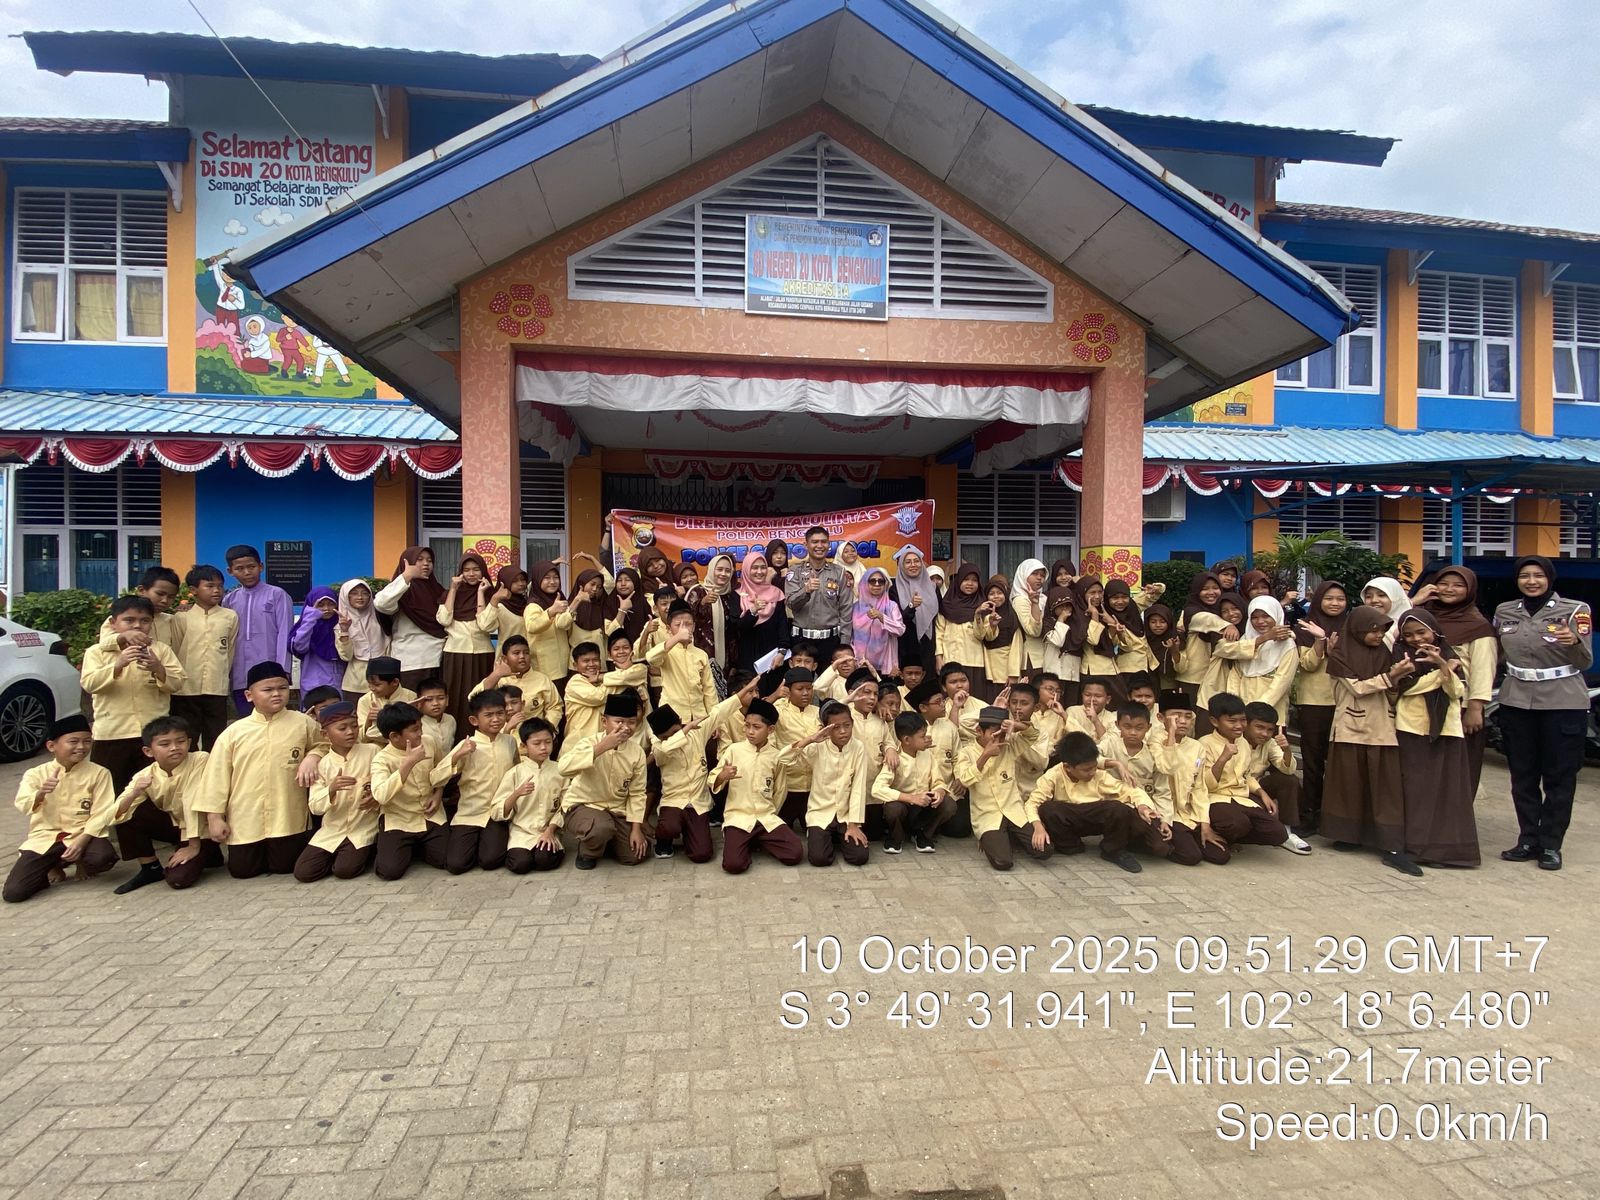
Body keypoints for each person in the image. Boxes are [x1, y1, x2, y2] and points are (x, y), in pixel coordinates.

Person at [1492, 555, 1591, 871]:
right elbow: (1498, 655)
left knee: (1559, 777)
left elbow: (1585, 661)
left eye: (1538, 575)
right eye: (1525, 576)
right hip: (1517, 701)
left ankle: (1550, 845)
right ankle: (1528, 840)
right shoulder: (1505, 611)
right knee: (1523, 775)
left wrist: (1573, 641)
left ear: (1549, 578)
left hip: (1563, 702)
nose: (1531, 581)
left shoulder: (1575, 610)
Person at [193, 661, 324, 878]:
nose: (276, 694)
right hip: (246, 818)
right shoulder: (233, 733)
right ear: (249, 695)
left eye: (282, 688)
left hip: (287, 817)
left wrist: (313, 756)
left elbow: (325, 745)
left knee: (285, 866)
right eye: (268, 690)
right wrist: (215, 818)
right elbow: (215, 778)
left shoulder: (303, 723)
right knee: (243, 870)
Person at [1320, 607, 1418, 875]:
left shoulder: (1385, 654)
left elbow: (1392, 693)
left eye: (1382, 631)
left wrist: (1396, 682)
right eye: (1373, 630)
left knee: (1384, 787)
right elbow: (1358, 688)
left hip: (1382, 727)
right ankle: (1349, 834)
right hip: (1350, 727)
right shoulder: (1341, 656)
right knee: (1350, 784)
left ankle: (1390, 844)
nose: (1378, 636)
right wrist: (1392, 677)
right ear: (1358, 629)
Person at [1392, 611, 1478, 869]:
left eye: (1422, 632)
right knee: (1417, 791)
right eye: (1409, 635)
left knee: (1446, 792)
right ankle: (1415, 847)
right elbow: (1407, 688)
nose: (1416, 639)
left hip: (1447, 731)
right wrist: (1443, 671)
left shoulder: (1449, 653)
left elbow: (1457, 691)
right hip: (1412, 728)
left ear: (1434, 630)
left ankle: (1445, 850)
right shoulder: (1400, 654)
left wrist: (1441, 663)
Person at [3, 715, 119, 902]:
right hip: (46, 837)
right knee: (14, 892)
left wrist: (81, 841)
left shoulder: (99, 773)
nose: (81, 747)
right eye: (73, 741)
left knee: (102, 857)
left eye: (87, 741)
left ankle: (80, 861)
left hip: (83, 833)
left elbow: (102, 812)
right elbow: (23, 805)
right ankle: (53, 865)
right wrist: (41, 793)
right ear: (51, 746)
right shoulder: (35, 774)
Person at [80, 595, 186, 793]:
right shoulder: (97, 652)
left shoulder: (160, 650)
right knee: (111, 790)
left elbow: (178, 682)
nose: (137, 626)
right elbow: (89, 684)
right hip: (112, 733)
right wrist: (118, 664)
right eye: (129, 620)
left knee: (154, 789)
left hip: (152, 733)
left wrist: (158, 668)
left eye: (145, 621)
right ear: (113, 623)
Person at [1414, 566, 1498, 796]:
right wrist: (1414, 601)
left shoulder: (1478, 626)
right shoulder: (1422, 618)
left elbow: (1483, 669)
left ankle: (1454, 815)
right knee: (1424, 768)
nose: (1449, 589)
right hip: (1420, 703)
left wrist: (1475, 708)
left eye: (1458, 585)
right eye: (1444, 583)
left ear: (1470, 590)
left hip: (1458, 706)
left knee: (1458, 768)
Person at [1197, 693, 1312, 857]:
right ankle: (1222, 832)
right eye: (1232, 721)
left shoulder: (1242, 743)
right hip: (1216, 797)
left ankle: (1239, 834)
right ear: (1215, 722)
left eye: (1242, 720)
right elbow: (1203, 785)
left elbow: (1247, 775)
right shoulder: (1204, 744)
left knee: (1278, 834)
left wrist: (1262, 792)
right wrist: (1222, 758)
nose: (1239, 726)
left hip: (1243, 795)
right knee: (1237, 824)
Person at [1027, 729, 1149, 872]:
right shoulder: (1052, 775)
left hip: (1095, 818)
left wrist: (1143, 806)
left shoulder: (1099, 775)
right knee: (1047, 809)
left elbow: (1129, 791)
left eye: (1094, 767)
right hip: (1070, 819)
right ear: (1068, 767)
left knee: (1118, 808)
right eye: (1086, 770)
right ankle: (1070, 846)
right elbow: (1032, 803)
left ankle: (1113, 851)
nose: (1092, 772)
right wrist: (1038, 827)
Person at [712, 698, 805, 874]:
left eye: (756, 727)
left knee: (794, 853)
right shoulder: (734, 750)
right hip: (739, 817)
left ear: (770, 730)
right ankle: (745, 842)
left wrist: (771, 812)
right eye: (747, 726)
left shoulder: (776, 756)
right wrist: (722, 776)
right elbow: (713, 780)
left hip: (765, 818)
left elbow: (780, 791)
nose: (750, 731)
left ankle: (756, 839)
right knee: (733, 865)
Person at [434, 688, 520, 874]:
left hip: (498, 812)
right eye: (488, 715)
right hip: (470, 812)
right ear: (474, 720)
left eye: (500, 713)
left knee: (490, 860)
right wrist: (458, 756)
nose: (496, 719)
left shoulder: (510, 742)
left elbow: (517, 771)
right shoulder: (467, 744)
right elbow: (435, 777)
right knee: (456, 865)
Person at [559, 691, 649, 869]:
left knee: (636, 854)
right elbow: (563, 768)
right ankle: (587, 852)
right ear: (604, 721)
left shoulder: (636, 752)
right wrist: (602, 747)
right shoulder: (588, 743)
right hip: (584, 805)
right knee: (600, 828)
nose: (626, 727)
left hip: (616, 810)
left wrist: (636, 829)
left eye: (631, 722)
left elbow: (637, 793)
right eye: (619, 722)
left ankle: (605, 842)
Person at [292, 701, 379, 882]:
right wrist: (331, 789)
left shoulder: (372, 752)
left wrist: (374, 796)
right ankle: (345, 854)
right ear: (325, 734)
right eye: (342, 728)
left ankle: (365, 851)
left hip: (363, 826)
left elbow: (384, 783)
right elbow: (315, 807)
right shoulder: (323, 765)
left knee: (345, 870)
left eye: (354, 726)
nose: (351, 732)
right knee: (304, 872)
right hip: (332, 830)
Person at [781, 700, 872, 867]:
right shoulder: (818, 747)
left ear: (852, 724)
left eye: (847, 725)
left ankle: (838, 835)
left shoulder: (858, 747)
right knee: (819, 859)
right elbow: (783, 759)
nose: (843, 731)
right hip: (820, 812)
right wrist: (810, 739)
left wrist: (853, 824)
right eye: (836, 727)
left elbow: (858, 787)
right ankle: (820, 835)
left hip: (846, 814)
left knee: (859, 857)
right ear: (826, 728)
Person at [1291, 581, 1350, 836]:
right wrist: (1321, 641)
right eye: (1329, 598)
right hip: (1313, 702)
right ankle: (1309, 815)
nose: (1335, 603)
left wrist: (1336, 652)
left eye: (1340, 599)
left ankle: (1336, 818)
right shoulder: (1305, 627)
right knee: (1313, 762)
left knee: (1340, 763)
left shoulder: (1352, 627)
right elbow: (1307, 665)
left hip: (1345, 701)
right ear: (1318, 601)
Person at [651, 698, 737, 861]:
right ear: (658, 737)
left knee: (701, 855)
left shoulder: (696, 734)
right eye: (666, 737)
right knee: (670, 827)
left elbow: (718, 713)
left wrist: (742, 694)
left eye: (675, 731)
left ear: (680, 722)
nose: (673, 737)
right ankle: (663, 842)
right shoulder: (658, 747)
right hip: (673, 801)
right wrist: (684, 730)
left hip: (698, 802)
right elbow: (666, 748)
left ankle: (689, 832)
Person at [370, 701, 448, 879]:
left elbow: (441, 770)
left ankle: (418, 847)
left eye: (420, 727)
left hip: (430, 815)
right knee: (389, 871)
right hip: (399, 819)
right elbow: (381, 796)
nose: (420, 733)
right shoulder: (381, 759)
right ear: (395, 736)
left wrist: (438, 794)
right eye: (414, 730)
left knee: (447, 860)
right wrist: (408, 763)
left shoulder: (429, 742)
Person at [169, 564, 237, 751]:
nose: (217, 590)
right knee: (187, 736)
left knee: (215, 736)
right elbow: (175, 650)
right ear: (193, 590)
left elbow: (230, 650)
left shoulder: (230, 617)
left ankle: (213, 768)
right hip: (186, 689)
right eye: (210, 586)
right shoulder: (181, 618)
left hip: (216, 688)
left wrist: (223, 676)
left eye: (220, 586)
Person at [871, 710, 955, 853]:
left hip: (923, 807)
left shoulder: (927, 755)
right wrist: (911, 798)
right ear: (907, 740)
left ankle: (924, 835)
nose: (927, 739)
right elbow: (877, 789)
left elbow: (939, 781)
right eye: (922, 736)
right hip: (903, 807)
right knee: (893, 809)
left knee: (949, 804)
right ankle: (896, 837)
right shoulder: (895, 759)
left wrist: (939, 792)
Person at [223, 545, 293, 714]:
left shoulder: (277, 595)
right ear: (230, 571)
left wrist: (283, 669)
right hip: (240, 673)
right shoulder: (229, 600)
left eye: (251, 567)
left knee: (273, 719)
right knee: (247, 719)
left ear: (261, 566)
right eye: (240, 569)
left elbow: (285, 633)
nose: (247, 572)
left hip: (270, 671)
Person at [493, 718, 566, 873]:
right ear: (524, 746)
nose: (543, 747)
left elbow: (566, 806)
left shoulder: (560, 771)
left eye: (548, 742)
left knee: (544, 860)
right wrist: (516, 794)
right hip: (522, 833)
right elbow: (496, 811)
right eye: (536, 743)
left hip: (549, 831)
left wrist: (550, 831)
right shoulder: (515, 773)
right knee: (520, 864)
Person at [374, 547, 447, 690]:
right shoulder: (402, 590)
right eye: (419, 560)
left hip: (438, 659)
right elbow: (381, 604)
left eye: (429, 560)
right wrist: (406, 576)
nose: (425, 564)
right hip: (412, 662)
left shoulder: (436, 589)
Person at [1217, 596, 1298, 724]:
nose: (1260, 621)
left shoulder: (1287, 645)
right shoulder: (1246, 640)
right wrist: (1235, 704)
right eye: (1254, 617)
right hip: (1242, 710)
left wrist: (1258, 709)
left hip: (1270, 709)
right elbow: (1236, 674)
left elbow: (1282, 681)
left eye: (1266, 616)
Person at [437, 553, 495, 724]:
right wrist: (453, 590)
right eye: (466, 570)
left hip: (482, 654)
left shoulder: (490, 594)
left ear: (483, 571)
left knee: (481, 699)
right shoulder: (449, 593)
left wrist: (480, 593)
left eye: (476, 569)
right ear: (460, 572)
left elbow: (486, 625)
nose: (471, 574)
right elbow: (444, 620)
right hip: (454, 654)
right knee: (455, 698)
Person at [784, 526, 855, 659]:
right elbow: (790, 604)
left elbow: (846, 609)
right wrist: (806, 591)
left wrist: (844, 643)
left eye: (824, 542)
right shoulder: (795, 571)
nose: (820, 546)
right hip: (802, 641)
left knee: (829, 673)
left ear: (829, 544)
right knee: (802, 673)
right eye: (815, 542)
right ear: (806, 545)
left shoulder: (839, 572)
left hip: (830, 641)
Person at [564, 641, 648, 744]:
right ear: (575, 665)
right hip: (577, 743)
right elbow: (599, 696)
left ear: (600, 661)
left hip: (602, 743)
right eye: (586, 661)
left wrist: (603, 677)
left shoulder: (605, 680)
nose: (591, 664)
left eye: (595, 660)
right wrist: (624, 677)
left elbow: (642, 671)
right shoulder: (575, 682)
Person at [646, 601, 717, 720]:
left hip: (698, 715)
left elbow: (709, 690)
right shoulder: (666, 651)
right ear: (669, 628)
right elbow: (650, 658)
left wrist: (714, 719)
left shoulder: (701, 655)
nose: (683, 628)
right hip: (672, 716)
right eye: (678, 625)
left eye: (688, 624)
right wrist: (677, 638)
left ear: (693, 627)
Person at [472, 635, 562, 729]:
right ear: (505, 659)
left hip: (534, 733)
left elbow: (554, 707)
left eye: (526, 653)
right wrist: (496, 674)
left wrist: (546, 729)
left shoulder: (542, 680)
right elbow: (473, 698)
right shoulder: (498, 680)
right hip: (503, 732)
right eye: (516, 653)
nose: (522, 656)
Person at [1240, 701, 1302, 831]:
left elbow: (1288, 770)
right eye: (1259, 727)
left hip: (1257, 787)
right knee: (1260, 814)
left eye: (1270, 730)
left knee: (1289, 780)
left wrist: (1286, 750)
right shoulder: (1235, 740)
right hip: (1235, 788)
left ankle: (1287, 830)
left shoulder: (1270, 743)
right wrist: (1262, 794)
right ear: (1245, 724)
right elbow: (1242, 775)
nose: (1265, 734)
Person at [96, 565, 184, 650]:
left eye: (171, 597)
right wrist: (123, 636)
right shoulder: (120, 618)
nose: (165, 600)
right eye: (160, 594)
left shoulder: (171, 620)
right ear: (141, 590)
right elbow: (104, 644)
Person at [934, 564, 992, 683]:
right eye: (966, 579)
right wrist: (939, 657)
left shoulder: (983, 606)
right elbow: (939, 633)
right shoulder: (947, 605)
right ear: (959, 580)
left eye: (974, 580)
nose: (970, 583)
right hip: (950, 661)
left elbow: (981, 635)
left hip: (974, 662)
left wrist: (978, 614)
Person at [733, 552, 790, 673]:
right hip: (747, 658)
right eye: (754, 568)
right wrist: (753, 611)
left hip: (772, 658)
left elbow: (782, 626)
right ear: (746, 570)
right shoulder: (736, 595)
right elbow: (737, 627)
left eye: (763, 567)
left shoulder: (777, 593)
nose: (759, 572)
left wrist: (782, 651)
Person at [335, 578, 386, 703]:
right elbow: (346, 656)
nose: (360, 597)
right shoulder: (340, 625)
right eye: (354, 593)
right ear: (346, 597)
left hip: (384, 681)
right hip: (356, 684)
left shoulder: (381, 619)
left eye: (364, 593)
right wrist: (345, 631)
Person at [523, 560, 575, 681]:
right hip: (543, 667)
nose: (552, 581)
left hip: (561, 664)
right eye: (547, 578)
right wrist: (551, 611)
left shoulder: (559, 599)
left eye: (556, 577)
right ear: (538, 580)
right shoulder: (533, 604)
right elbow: (531, 626)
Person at [290, 586, 345, 699]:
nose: (326, 609)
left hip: (340, 681)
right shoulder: (306, 626)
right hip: (313, 683)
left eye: (331, 604)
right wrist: (310, 619)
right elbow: (299, 647)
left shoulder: (341, 625)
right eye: (321, 605)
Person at [692, 553, 740, 676]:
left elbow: (733, 631)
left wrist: (734, 662)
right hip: (700, 657)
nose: (723, 574)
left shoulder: (731, 595)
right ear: (711, 569)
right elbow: (687, 620)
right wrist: (703, 603)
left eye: (727, 571)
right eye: (719, 569)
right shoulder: (697, 591)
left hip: (726, 659)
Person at [891, 546, 938, 674]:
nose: (913, 565)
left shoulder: (933, 588)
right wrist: (911, 606)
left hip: (929, 646)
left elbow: (939, 619)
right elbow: (897, 622)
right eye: (908, 562)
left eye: (916, 561)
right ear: (901, 565)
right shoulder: (894, 589)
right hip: (906, 647)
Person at [851, 568, 905, 675]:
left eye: (881, 581)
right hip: (860, 664)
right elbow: (850, 636)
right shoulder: (855, 608)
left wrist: (882, 617)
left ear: (885, 584)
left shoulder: (891, 606)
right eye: (872, 581)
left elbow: (900, 630)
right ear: (864, 583)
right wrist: (856, 658)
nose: (877, 584)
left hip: (885, 665)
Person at [357, 657, 414, 745]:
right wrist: (368, 721)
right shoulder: (365, 700)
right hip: (376, 748)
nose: (372, 688)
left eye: (377, 685)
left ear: (395, 682)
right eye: (369, 684)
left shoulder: (411, 697)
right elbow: (360, 738)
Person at [979, 575, 1020, 700]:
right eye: (992, 593)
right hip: (987, 666)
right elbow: (985, 637)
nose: (996, 596)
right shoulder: (983, 615)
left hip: (1005, 669)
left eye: (1000, 593)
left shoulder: (1012, 616)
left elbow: (1016, 647)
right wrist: (991, 624)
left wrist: (1013, 673)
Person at [1007, 558, 1049, 677]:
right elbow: (1033, 631)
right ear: (1023, 575)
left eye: (1042, 575)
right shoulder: (1020, 599)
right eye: (1034, 574)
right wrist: (1034, 604)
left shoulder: (1043, 598)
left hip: (1043, 657)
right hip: (1032, 659)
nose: (1039, 578)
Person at [1042, 586, 1084, 704]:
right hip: (1054, 672)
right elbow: (1057, 641)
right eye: (1061, 606)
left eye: (1068, 606)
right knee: (1053, 705)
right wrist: (1060, 621)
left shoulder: (1077, 624)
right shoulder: (1048, 622)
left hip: (1072, 674)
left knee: (1070, 707)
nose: (1065, 609)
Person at [1361, 577, 1413, 645]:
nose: (1374, 600)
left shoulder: (1413, 627)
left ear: (1396, 597)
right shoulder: (1360, 626)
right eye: (1368, 596)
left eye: (1381, 595)